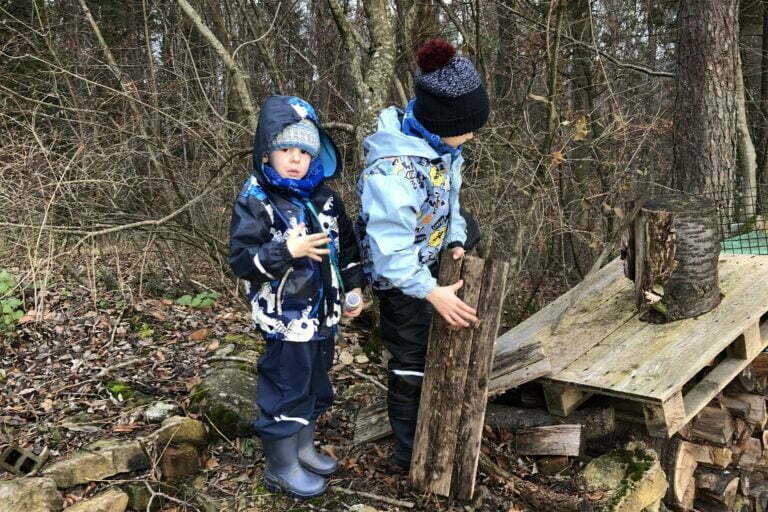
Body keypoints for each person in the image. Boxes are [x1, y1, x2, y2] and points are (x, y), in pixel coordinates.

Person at [356, 39, 489, 469]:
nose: (471, 137)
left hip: (427, 257)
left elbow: (451, 202)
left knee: (437, 340)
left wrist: (455, 238)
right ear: (442, 121)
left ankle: (439, 420)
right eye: (467, 128)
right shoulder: (393, 173)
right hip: (398, 279)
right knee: (411, 359)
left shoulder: (443, 148)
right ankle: (409, 451)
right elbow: (390, 254)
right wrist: (431, 292)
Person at [229, 95, 364, 498]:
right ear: (266, 151)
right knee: (286, 387)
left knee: (315, 383)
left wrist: (354, 288)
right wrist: (287, 250)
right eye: (286, 149)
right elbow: (242, 260)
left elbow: (348, 248)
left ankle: (303, 448)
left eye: (304, 151)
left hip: (324, 317)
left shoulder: (325, 198)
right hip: (285, 320)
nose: (295, 158)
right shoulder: (257, 200)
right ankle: (280, 464)